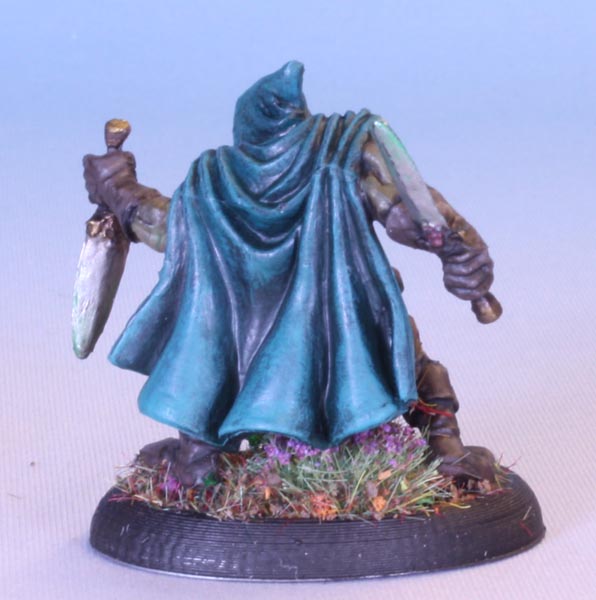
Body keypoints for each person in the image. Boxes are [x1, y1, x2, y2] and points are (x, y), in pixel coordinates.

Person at [83, 61, 497, 486]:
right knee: (413, 364)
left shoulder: (213, 181)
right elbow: (401, 213)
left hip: (275, 333)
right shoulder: (325, 163)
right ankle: (445, 448)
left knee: (216, 374)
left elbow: (162, 226)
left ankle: (198, 458)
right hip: (322, 328)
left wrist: (118, 188)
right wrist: (456, 246)